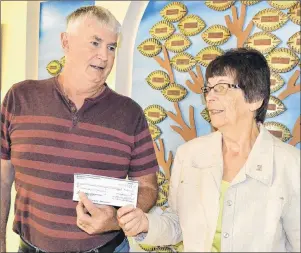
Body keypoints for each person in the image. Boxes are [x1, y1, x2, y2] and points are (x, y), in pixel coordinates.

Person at [1, 5, 159, 253]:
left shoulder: (131, 114)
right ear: (65, 42)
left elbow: (148, 188)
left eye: (111, 47)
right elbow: (2, 177)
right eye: (95, 43)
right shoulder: (19, 98)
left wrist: (114, 219)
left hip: (105, 248)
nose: (105, 56)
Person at [117, 48, 300, 252]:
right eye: (208, 88)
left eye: (221, 87)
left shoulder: (291, 164)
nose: (210, 97)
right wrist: (145, 225)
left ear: (255, 99)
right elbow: (177, 225)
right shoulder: (189, 155)